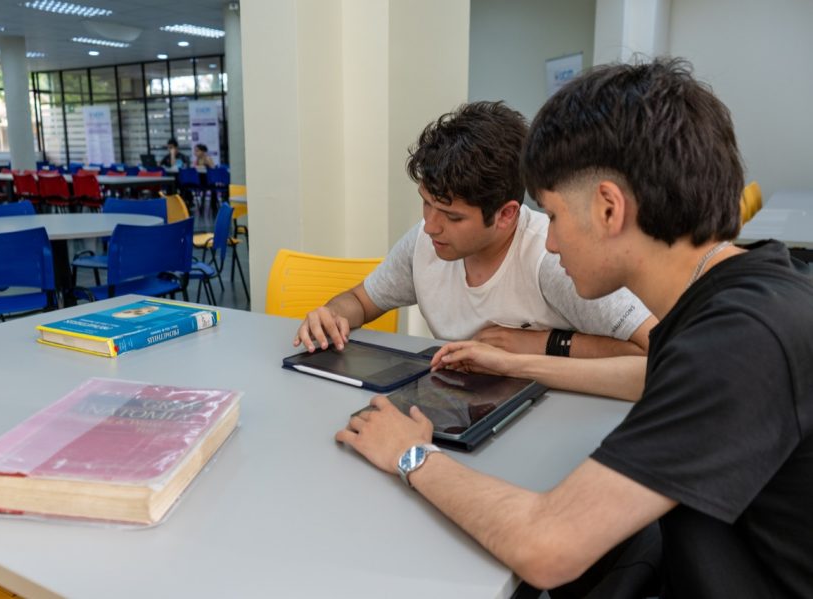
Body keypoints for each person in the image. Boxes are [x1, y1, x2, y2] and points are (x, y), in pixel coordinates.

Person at [336, 59, 813, 597]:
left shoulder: (739, 344)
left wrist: (413, 455)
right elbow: (653, 373)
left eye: (557, 217)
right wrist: (515, 363)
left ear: (609, 209)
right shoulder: (751, 293)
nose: (554, 242)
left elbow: (548, 547)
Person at [295, 102, 655, 364]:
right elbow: (359, 301)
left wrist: (544, 343)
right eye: (426, 203)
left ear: (506, 215)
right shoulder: (424, 242)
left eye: (452, 217)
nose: (432, 225)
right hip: (465, 404)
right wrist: (332, 315)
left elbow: (655, 349)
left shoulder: (553, 258)